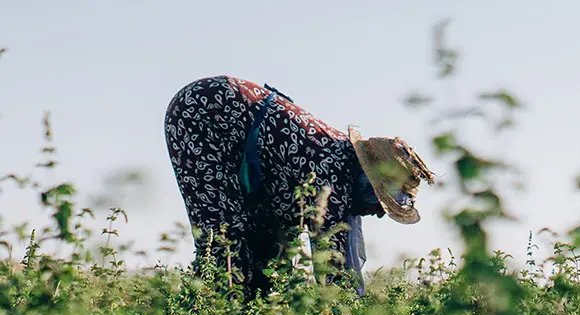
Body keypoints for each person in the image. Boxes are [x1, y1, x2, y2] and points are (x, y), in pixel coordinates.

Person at [164, 75, 434, 296]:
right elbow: (336, 272)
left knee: (267, 248)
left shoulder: (341, 166)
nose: (377, 212)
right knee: (223, 237)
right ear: (369, 182)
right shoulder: (333, 176)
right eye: (381, 202)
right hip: (203, 116)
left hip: (234, 131)